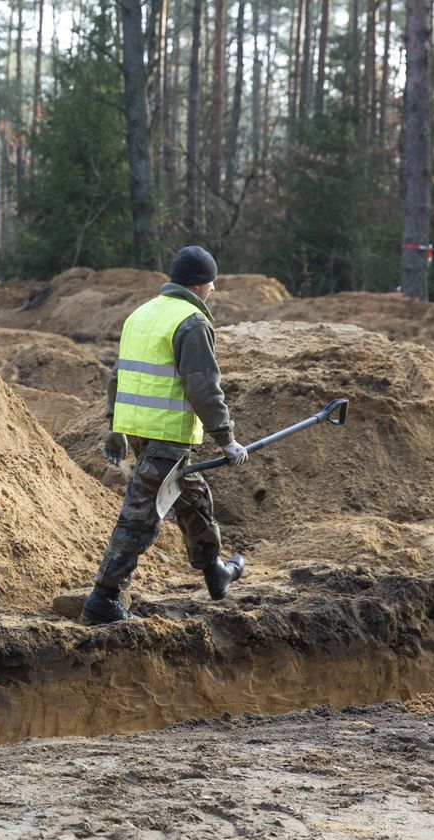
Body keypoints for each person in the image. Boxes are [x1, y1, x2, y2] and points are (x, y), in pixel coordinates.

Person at [82, 245, 248, 624]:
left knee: (192, 498)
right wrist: (227, 439)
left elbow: (118, 377)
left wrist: (117, 428)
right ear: (204, 285)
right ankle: (103, 599)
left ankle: (214, 571)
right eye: (213, 285)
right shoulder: (192, 322)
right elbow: (202, 387)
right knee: (140, 516)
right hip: (165, 438)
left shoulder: (142, 314)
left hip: (141, 432)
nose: (213, 292)